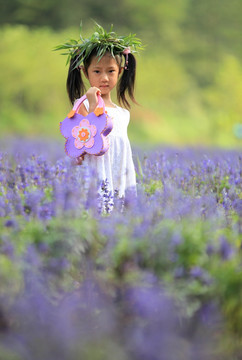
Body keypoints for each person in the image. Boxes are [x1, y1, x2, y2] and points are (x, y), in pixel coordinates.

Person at [56, 23, 143, 198]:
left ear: (120, 72)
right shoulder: (84, 105)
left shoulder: (122, 113)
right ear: (86, 73)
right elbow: (89, 134)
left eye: (111, 71)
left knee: (120, 210)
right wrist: (92, 101)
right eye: (97, 71)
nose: (104, 78)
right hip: (97, 172)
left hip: (119, 172)